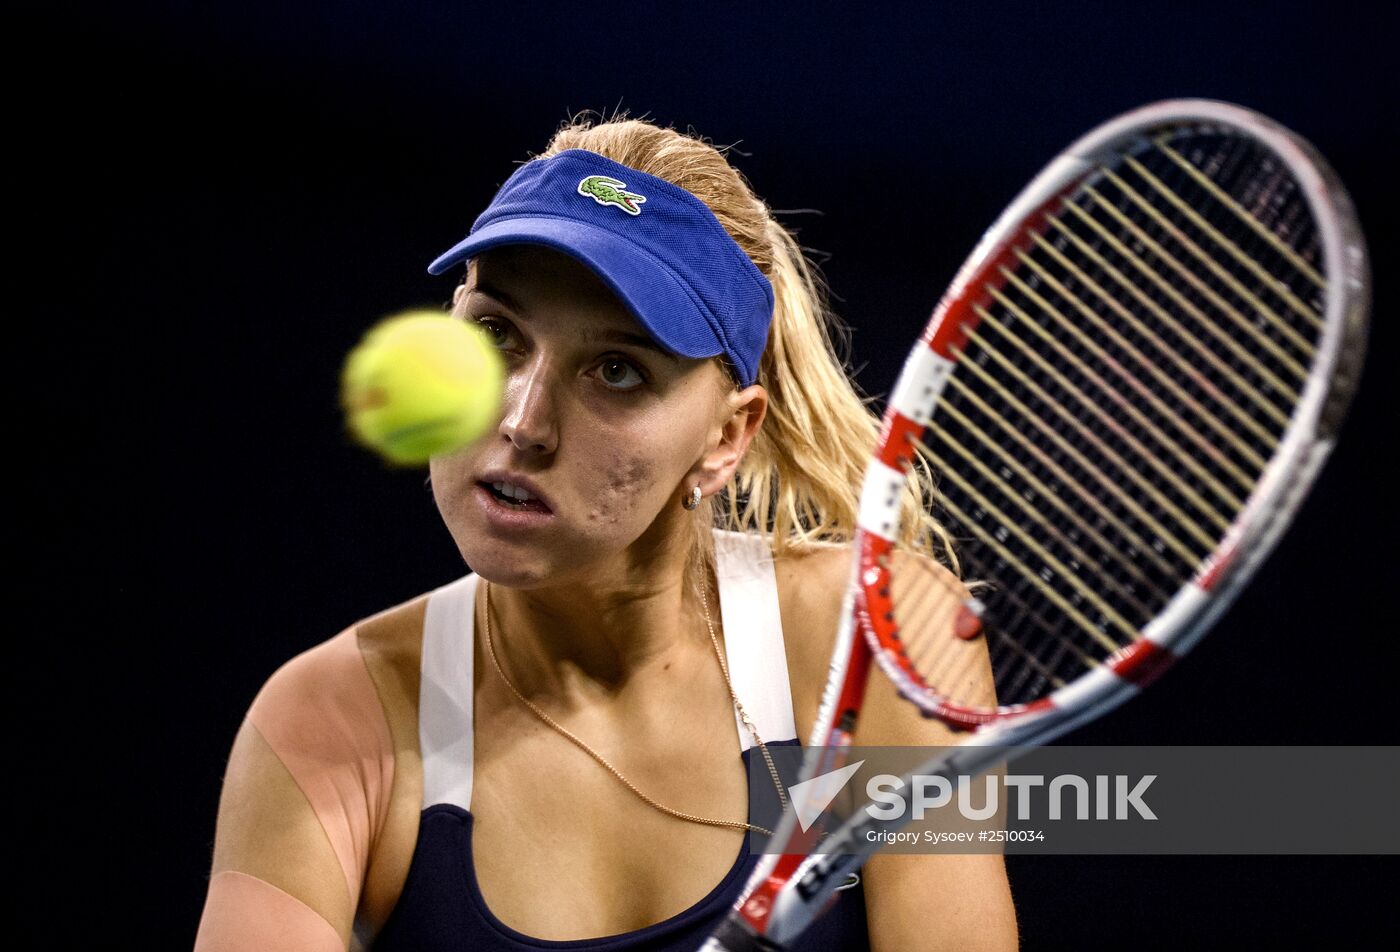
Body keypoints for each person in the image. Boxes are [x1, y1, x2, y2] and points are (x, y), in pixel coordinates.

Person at [194, 114, 1020, 951]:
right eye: (495, 334)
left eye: (617, 371)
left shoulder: (875, 637)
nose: (523, 421)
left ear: (727, 437)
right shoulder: (327, 724)